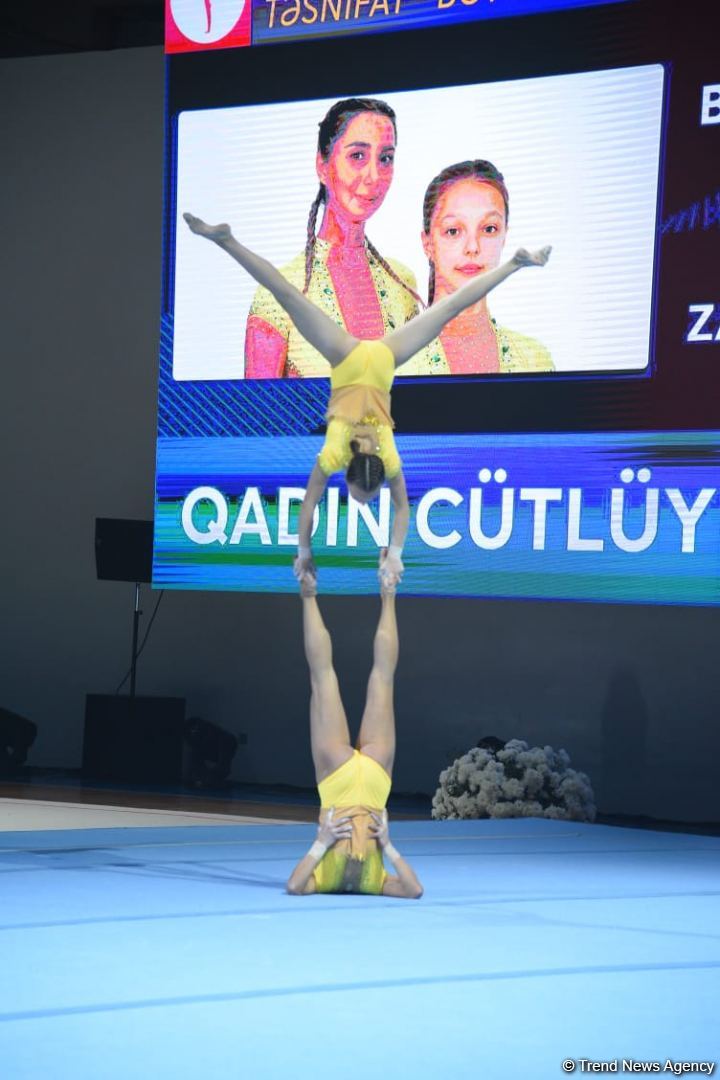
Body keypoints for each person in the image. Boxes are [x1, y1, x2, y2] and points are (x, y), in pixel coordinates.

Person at [183, 211, 550, 580]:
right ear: (348, 471)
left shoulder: (387, 453)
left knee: (445, 310)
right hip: (346, 356)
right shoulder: (334, 451)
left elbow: (402, 510)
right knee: (287, 295)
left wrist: (395, 555)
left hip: (381, 360)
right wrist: (305, 552)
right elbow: (308, 507)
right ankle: (225, 240)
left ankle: (516, 263)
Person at [244, 97, 421, 379]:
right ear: (322, 165)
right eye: (358, 156)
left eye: (385, 158)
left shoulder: (403, 284)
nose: (374, 176)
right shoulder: (277, 294)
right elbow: (256, 406)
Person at [285, 562, 423, 897]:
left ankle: (316, 594)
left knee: (344, 678)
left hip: (341, 784)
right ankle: (385, 591)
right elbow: (414, 890)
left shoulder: (324, 882)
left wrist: (322, 842)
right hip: (372, 787)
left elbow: (294, 885)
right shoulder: (376, 883)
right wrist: (387, 846)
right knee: (352, 677)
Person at [400, 160, 554, 376]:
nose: (473, 247)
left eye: (489, 229)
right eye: (453, 231)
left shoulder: (535, 359)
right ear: (428, 244)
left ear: (504, 238)